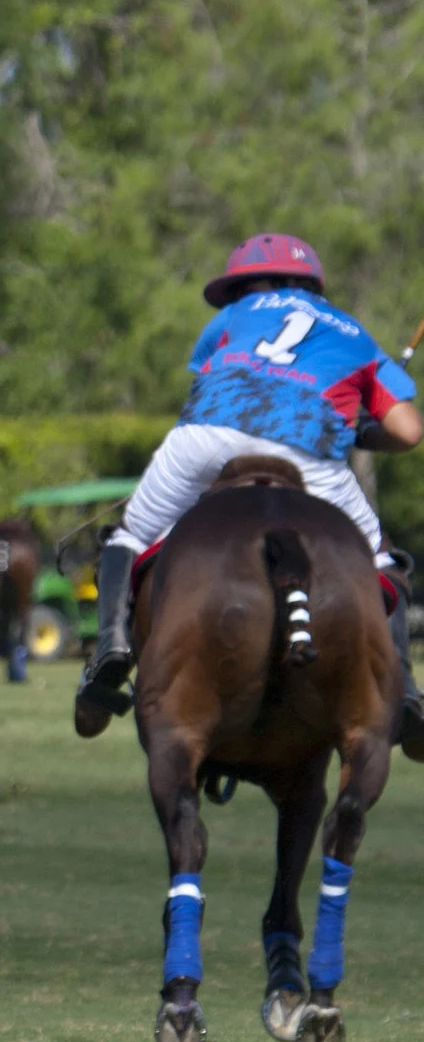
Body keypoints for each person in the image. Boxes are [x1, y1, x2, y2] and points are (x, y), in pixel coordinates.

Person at [77, 234, 424, 739]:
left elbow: (207, 382)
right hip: (306, 450)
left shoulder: (231, 317)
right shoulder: (354, 334)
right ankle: (406, 691)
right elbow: (408, 432)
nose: (240, 297)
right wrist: (358, 430)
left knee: (131, 536)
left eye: (242, 287)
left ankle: (111, 649)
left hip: (207, 436)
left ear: (262, 284)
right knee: (379, 561)